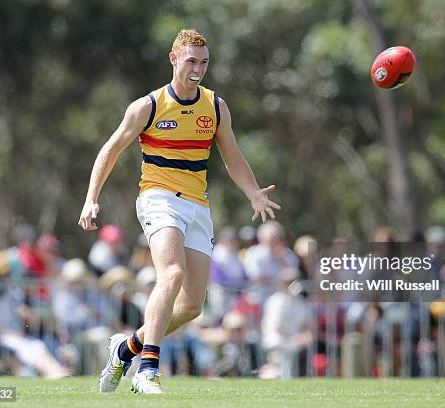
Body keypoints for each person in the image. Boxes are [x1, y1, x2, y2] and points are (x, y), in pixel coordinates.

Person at [78, 28, 280, 394]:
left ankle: (125, 349)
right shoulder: (148, 106)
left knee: (190, 307)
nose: (198, 69)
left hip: (197, 205)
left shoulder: (215, 107)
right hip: (158, 197)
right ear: (174, 59)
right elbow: (109, 150)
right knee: (170, 274)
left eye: (203, 62)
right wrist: (92, 197)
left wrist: (253, 193)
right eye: (191, 61)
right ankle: (147, 371)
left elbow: (233, 157)